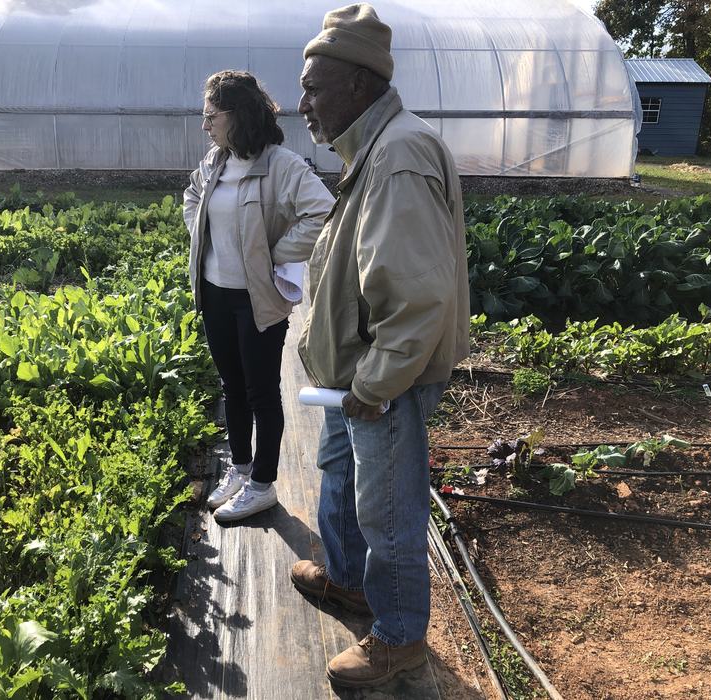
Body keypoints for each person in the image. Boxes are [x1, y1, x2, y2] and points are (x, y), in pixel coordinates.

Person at [288, 3, 470, 688]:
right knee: (339, 474)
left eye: (314, 88)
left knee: (388, 510)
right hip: (356, 371)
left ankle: (398, 639)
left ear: (359, 83)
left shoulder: (396, 156)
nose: (303, 104)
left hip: (382, 378)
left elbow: (416, 293)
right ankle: (347, 579)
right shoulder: (374, 147)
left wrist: (374, 384)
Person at [184, 71, 334, 523]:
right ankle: (241, 467)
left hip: (256, 300)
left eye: (211, 116)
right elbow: (192, 196)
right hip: (214, 293)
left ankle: (263, 485)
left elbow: (323, 213)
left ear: (238, 115)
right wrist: (201, 233)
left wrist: (275, 253)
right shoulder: (216, 161)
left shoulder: (281, 165)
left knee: (262, 392)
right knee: (231, 387)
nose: (205, 125)